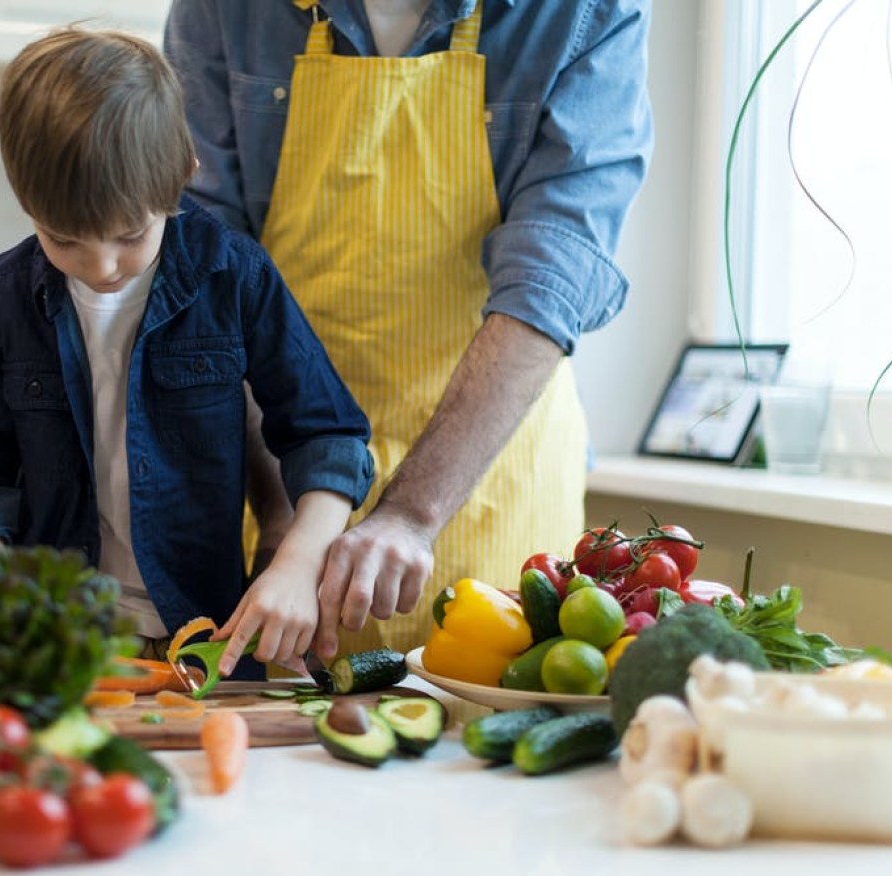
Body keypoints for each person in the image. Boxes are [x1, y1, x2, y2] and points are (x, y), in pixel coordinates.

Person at [164, 0, 653, 659]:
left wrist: (411, 514)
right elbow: (207, 276)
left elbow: (552, 275)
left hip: (489, 483)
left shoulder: (583, 10)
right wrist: (287, 523)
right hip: (278, 480)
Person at [0, 28, 374, 677]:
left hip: (207, 640)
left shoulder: (234, 275)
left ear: (181, 177)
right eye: (63, 239)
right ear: (25, 203)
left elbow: (328, 437)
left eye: (129, 235)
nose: (101, 266)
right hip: (57, 648)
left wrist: (297, 564)